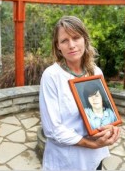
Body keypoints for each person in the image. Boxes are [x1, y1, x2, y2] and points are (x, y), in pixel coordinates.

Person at [39, 16, 120, 170]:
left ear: (85, 39)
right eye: (64, 40)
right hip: (67, 161)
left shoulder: (96, 72)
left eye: (76, 38)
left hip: (95, 159)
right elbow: (52, 129)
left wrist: (110, 128)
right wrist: (90, 144)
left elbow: (102, 113)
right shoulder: (52, 76)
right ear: (58, 47)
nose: (71, 45)